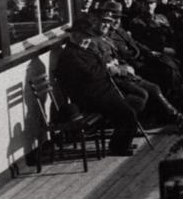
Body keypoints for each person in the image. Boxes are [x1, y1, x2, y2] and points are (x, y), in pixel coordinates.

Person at [55, 12, 143, 156]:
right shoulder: (70, 55)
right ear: (75, 35)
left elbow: (97, 70)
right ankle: (118, 148)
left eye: (89, 37)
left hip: (102, 90)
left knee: (137, 102)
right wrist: (104, 65)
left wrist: (104, 66)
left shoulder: (82, 49)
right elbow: (92, 73)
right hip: (89, 97)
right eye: (85, 37)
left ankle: (119, 142)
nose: (88, 40)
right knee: (128, 114)